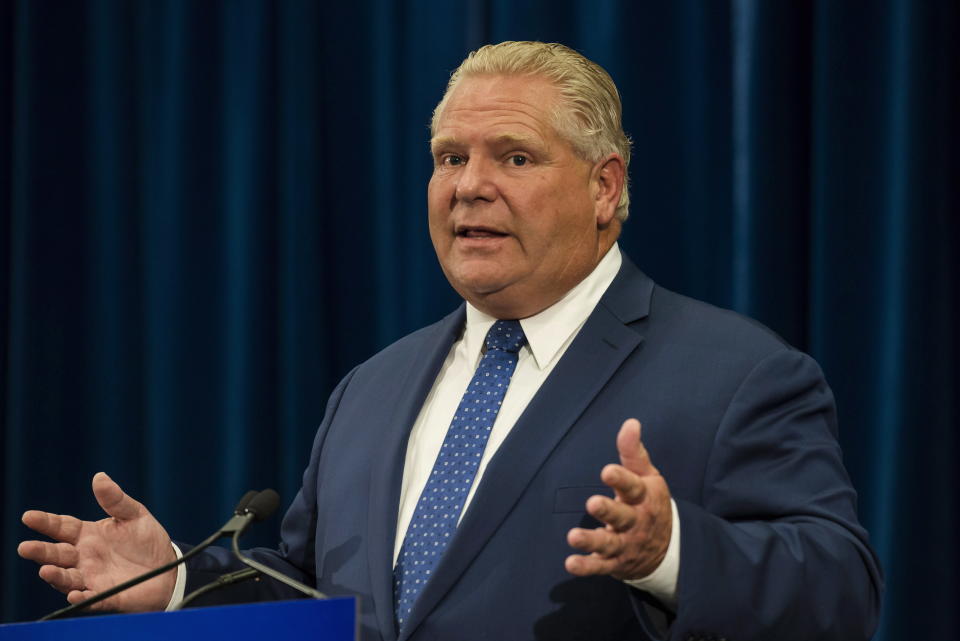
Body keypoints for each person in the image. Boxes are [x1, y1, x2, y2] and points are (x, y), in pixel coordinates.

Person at [18, 41, 882, 640]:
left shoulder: (738, 375)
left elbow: (842, 592)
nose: (469, 187)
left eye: (512, 157)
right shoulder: (373, 387)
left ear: (604, 187)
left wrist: (672, 551)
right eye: (447, 157)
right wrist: (172, 582)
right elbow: (315, 599)